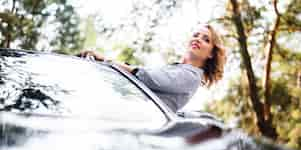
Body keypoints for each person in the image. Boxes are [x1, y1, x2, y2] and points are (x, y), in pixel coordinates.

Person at [79, 24, 226, 112]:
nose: (198, 39)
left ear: (212, 53)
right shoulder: (177, 68)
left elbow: (149, 77)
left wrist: (105, 59)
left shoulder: (191, 77)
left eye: (206, 39)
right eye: (196, 35)